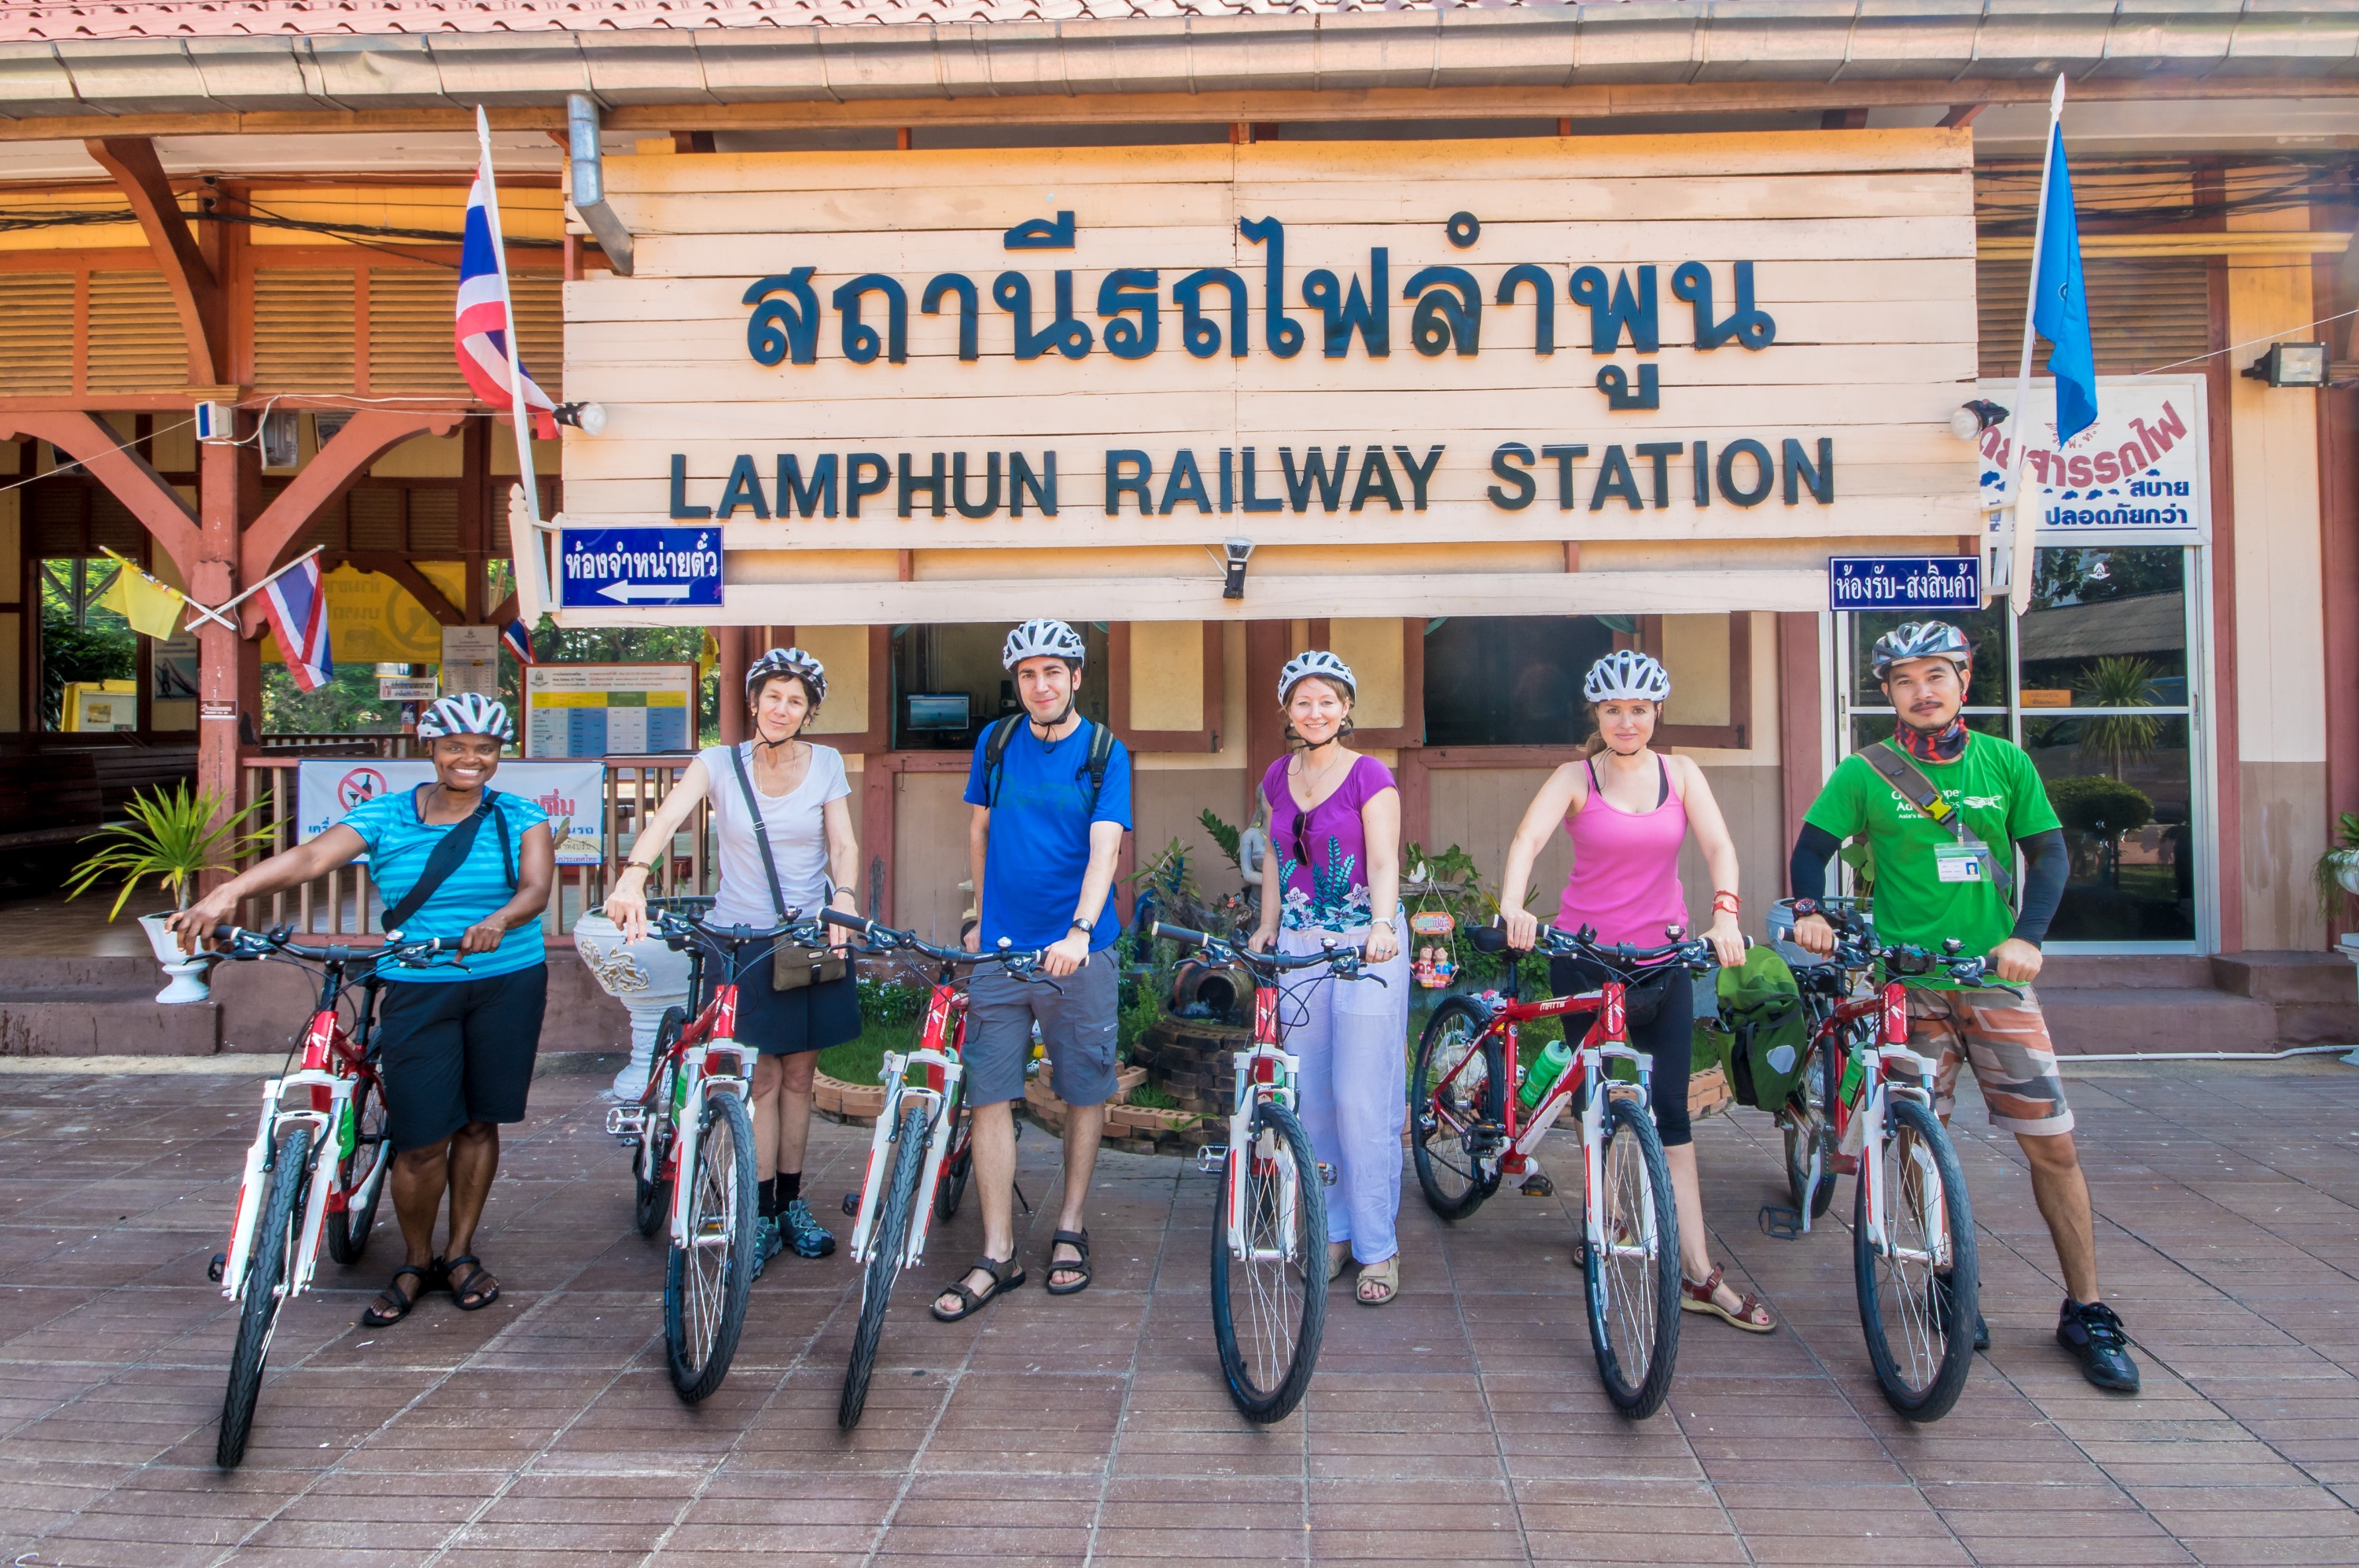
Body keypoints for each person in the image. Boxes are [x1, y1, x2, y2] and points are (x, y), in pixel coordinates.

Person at [1788, 620, 2136, 1393]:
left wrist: (2029, 936)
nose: (1923, 691)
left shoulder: (2004, 763)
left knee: (2053, 1145)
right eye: (1905, 679)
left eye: (1936, 675)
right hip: (1907, 986)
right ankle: (1949, 1274)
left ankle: (2088, 1307)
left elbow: (2048, 853)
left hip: (1994, 979)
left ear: (1963, 681)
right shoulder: (1865, 772)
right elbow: (1811, 846)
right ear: (1887, 692)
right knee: (1917, 1142)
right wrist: (1810, 907)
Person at [172, 693, 556, 1327]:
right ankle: (414, 1258)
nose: (470, 759)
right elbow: (311, 858)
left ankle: (459, 1253)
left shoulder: (521, 815)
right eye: (456, 747)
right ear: (430, 749)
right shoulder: (385, 815)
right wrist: (228, 892)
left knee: (478, 1124)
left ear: (498, 756)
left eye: (484, 749)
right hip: (418, 983)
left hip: (506, 979)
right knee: (420, 1140)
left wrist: (500, 920)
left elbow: (536, 890)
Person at [1496, 650, 1773, 1334]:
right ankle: (1606, 1217)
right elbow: (1528, 839)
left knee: (1670, 1117)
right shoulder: (1575, 776)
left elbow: (1719, 848)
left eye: (1640, 710)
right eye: (1614, 710)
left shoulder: (1681, 774)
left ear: (1656, 715)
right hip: (1586, 959)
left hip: (1663, 959)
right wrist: (1513, 908)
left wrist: (1728, 914)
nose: (1627, 721)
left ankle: (1699, 1271)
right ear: (1597, 715)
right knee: (1604, 1101)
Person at [607, 647, 860, 1273]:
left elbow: (844, 842)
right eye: (772, 696)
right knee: (765, 1080)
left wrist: (845, 902)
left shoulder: (825, 763)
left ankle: (789, 1206)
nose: (782, 709)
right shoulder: (718, 763)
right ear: (753, 701)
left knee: (802, 1076)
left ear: (810, 711)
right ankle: (757, 1208)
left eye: (796, 700)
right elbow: (666, 820)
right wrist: (633, 877)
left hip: (810, 939)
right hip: (741, 941)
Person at [933, 619, 1132, 1321]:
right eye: (1026, 675)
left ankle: (1071, 1225)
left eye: (1053, 673)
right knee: (988, 1093)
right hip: (1003, 951)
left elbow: (1104, 849)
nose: (1040, 686)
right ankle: (997, 1252)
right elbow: (981, 830)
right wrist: (983, 917)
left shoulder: (1106, 751)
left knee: (1083, 1088)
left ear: (1077, 678)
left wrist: (1079, 930)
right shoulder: (998, 741)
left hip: (1080, 949)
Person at [1246, 651, 1411, 1306]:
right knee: (1311, 1096)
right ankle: (1334, 1232)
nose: (1315, 712)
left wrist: (1379, 925)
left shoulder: (1371, 775)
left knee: (1360, 1098)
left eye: (1328, 700)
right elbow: (1272, 855)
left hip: (1364, 945)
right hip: (1301, 942)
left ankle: (1378, 1245)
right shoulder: (1277, 777)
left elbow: (1383, 857)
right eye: (1303, 701)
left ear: (1347, 709)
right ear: (1286, 709)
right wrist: (1267, 924)